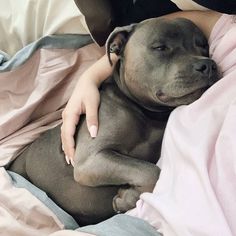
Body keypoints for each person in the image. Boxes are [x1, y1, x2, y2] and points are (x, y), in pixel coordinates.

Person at [60, 9, 221, 164]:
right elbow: (86, 167)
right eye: (161, 48)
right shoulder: (115, 109)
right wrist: (91, 77)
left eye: (202, 48)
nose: (200, 60)